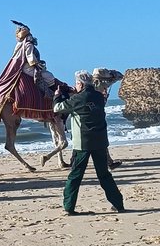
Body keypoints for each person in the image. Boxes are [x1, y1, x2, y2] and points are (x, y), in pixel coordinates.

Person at [53, 71, 125, 215]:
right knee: (104, 175)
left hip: (83, 143)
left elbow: (57, 108)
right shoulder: (99, 97)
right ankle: (118, 204)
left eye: (76, 83)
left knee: (75, 175)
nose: (75, 86)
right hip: (100, 141)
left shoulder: (77, 98)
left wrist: (57, 96)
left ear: (80, 84)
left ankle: (69, 207)